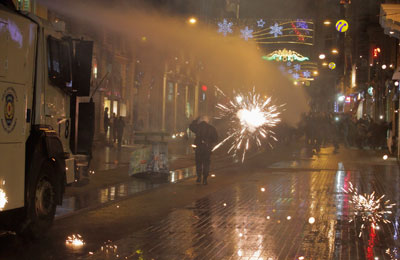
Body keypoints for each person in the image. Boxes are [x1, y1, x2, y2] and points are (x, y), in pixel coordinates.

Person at [189, 116, 218, 185]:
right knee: (206, 164)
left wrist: (195, 120)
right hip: (207, 148)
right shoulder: (212, 128)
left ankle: (199, 177)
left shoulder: (198, 127)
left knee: (198, 162)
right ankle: (205, 179)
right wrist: (210, 142)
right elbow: (216, 139)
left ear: (201, 120)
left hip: (198, 148)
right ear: (207, 120)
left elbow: (191, 127)